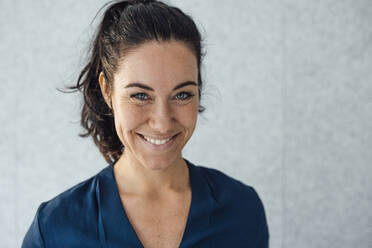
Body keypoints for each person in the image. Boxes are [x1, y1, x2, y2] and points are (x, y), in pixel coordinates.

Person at [21, 0, 270, 247]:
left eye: (182, 94)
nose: (162, 123)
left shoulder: (242, 211)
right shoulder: (55, 229)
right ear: (108, 91)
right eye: (140, 96)